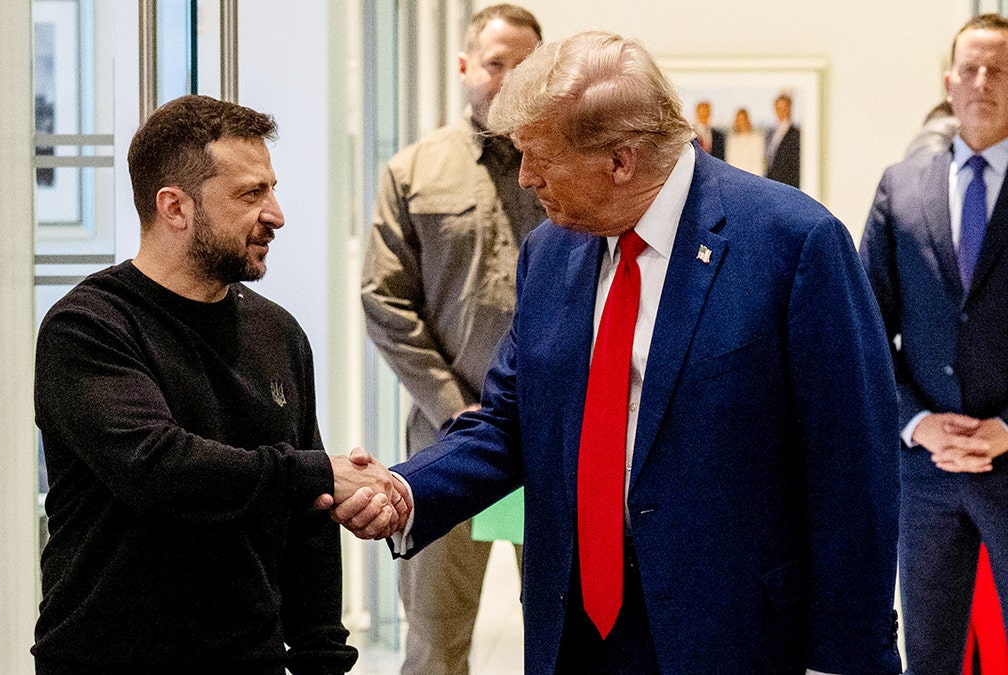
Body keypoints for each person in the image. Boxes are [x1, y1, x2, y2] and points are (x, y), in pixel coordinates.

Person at [331, 30, 901, 674]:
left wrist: (846, 658)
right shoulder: (550, 253)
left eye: (539, 158)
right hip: (575, 627)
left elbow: (852, 468)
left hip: (733, 631)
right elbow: (511, 422)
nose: (526, 178)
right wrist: (407, 489)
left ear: (621, 161)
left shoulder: (793, 242)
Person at [31, 94, 404, 673]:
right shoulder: (88, 328)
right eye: (251, 194)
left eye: (272, 189)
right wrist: (316, 470)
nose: (276, 213)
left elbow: (308, 520)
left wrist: (321, 657)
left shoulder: (278, 333)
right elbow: (159, 468)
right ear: (174, 207)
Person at [359, 5, 543, 674]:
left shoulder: (574, 170)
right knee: (436, 640)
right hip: (447, 441)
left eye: (526, 65)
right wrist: (454, 407)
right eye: (497, 63)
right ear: (466, 67)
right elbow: (383, 301)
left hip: (558, 444)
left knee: (570, 633)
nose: (510, 78)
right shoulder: (412, 172)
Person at [861, 13, 1008, 675]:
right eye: (971, 69)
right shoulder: (901, 185)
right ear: (949, 81)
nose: (983, 82)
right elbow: (865, 329)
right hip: (924, 473)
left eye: (999, 69)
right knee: (927, 656)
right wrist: (915, 423)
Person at [765, 92, 801, 187]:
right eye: (778, 108)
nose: (781, 111)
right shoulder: (771, 132)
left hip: (788, 185)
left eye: (784, 108)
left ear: (790, 109)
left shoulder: (796, 134)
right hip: (772, 183)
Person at [723, 107, 764, 176]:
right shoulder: (731, 139)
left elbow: (758, 164)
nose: (741, 122)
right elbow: (729, 162)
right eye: (738, 119)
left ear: (747, 120)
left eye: (743, 119)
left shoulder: (757, 139)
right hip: (735, 178)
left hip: (752, 178)